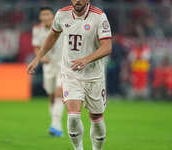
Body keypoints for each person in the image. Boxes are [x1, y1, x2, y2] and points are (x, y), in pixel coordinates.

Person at [27, 0, 112, 150]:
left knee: (96, 118)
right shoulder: (62, 14)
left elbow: (107, 47)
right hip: (70, 73)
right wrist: (38, 58)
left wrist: (86, 59)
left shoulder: (99, 17)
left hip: (94, 76)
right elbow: (53, 36)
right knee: (73, 117)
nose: (77, 0)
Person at [32, 6, 64, 137]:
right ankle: (57, 125)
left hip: (63, 64)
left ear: (53, 16)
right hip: (48, 66)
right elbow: (36, 47)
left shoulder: (62, 26)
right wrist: (41, 57)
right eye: (43, 14)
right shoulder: (37, 29)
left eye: (48, 14)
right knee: (51, 95)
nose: (45, 17)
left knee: (59, 92)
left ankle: (55, 126)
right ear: (40, 17)